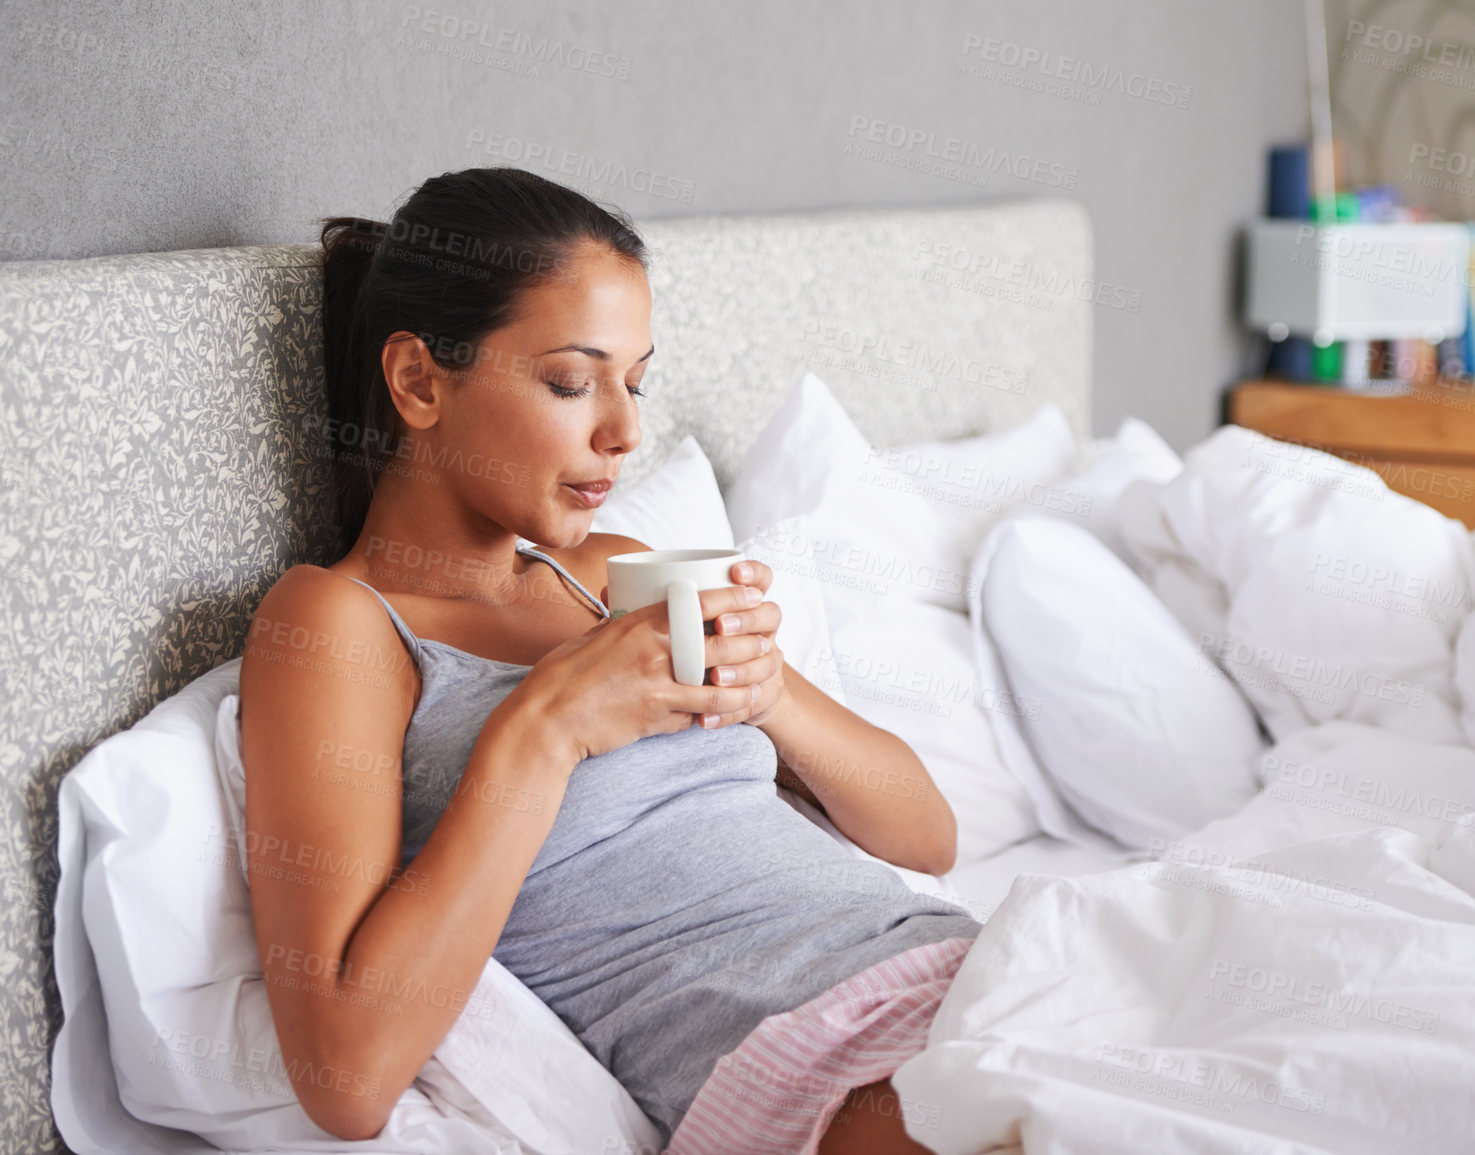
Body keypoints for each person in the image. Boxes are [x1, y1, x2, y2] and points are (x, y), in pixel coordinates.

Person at [237, 167, 981, 1154]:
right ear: (419, 380)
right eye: (571, 381)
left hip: (956, 965)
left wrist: (771, 696)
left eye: (635, 382)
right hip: (811, 1061)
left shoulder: (618, 572)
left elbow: (929, 838)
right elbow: (346, 1078)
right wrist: (546, 730)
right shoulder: (339, 623)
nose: (625, 433)